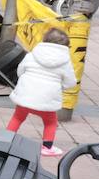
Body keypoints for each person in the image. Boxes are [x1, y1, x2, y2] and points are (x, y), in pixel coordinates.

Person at [6, 28, 76, 157]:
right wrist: (61, 86)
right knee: (50, 122)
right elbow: (70, 82)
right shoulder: (65, 62)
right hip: (47, 99)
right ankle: (47, 147)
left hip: (26, 96)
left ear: (45, 40)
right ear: (65, 46)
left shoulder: (32, 55)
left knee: (17, 117)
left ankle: (6, 138)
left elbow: (20, 71)